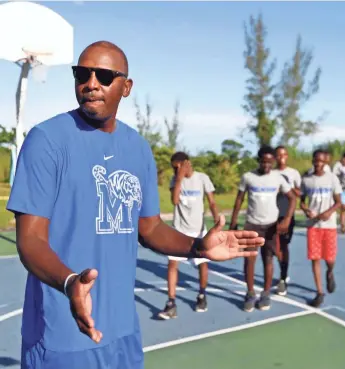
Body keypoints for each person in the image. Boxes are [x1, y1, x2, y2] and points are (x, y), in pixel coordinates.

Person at [6, 41, 265, 369]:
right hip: (64, 333)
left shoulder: (138, 149)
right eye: (82, 74)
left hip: (123, 330)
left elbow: (151, 228)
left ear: (126, 87)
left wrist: (198, 246)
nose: (91, 83)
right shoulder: (47, 141)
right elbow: (31, 240)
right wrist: (70, 282)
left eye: (103, 75)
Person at [229, 145, 296, 312]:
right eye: (263, 162)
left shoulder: (278, 178)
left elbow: (292, 198)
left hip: (271, 226)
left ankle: (265, 293)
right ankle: (250, 293)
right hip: (252, 224)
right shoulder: (248, 177)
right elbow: (239, 200)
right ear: (258, 161)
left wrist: (287, 218)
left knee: (268, 259)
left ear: (273, 161)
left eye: (269, 162)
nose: (266, 165)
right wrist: (233, 221)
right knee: (249, 259)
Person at [158, 152, 219, 319]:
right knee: (172, 263)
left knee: (202, 264)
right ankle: (171, 303)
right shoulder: (175, 180)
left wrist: (217, 220)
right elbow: (175, 201)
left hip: (198, 230)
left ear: (187, 163)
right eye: (174, 168)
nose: (176, 170)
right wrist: (178, 178)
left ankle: (201, 295)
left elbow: (212, 201)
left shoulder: (202, 178)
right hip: (179, 229)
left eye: (178, 167)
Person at [300, 149, 342, 307]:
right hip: (313, 226)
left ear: (326, 163)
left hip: (329, 225)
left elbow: (338, 201)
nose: (318, 164)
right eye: (316, 160)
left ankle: (330, 272)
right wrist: (305, 210)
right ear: (313, 161)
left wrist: (329, 212)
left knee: (330, 258)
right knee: (315, 258)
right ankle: (319, 292)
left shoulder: (332, 179)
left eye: (321, 161)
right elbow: (302, 201)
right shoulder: (307, 180)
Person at [274, 145, 302, 296]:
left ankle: (283, 277)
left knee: (283, 246)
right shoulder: (271, 173)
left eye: (283, 155)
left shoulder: (293, 173)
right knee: (274, 248)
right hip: (272, 215)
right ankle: (282, 270)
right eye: (278, 155)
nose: (281, 158)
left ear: (287, 156)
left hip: (287, 215)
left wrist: (288, 189)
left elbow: (300, 192)